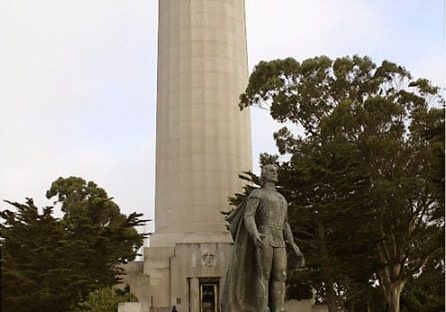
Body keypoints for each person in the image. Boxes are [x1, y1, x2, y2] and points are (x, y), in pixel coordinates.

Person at [221, 164, 305, 312]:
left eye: (276, 171)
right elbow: (249, 216)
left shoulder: (281, 198)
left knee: (281, 275)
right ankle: (262, 308)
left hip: (279, 238)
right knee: (263, 274)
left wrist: (292, 243)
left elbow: (285, 223)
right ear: (264, 175)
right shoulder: (257, 194)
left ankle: (279, 308)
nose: (275, 173)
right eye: (271, 171)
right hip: (264, 235)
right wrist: (254, 234)